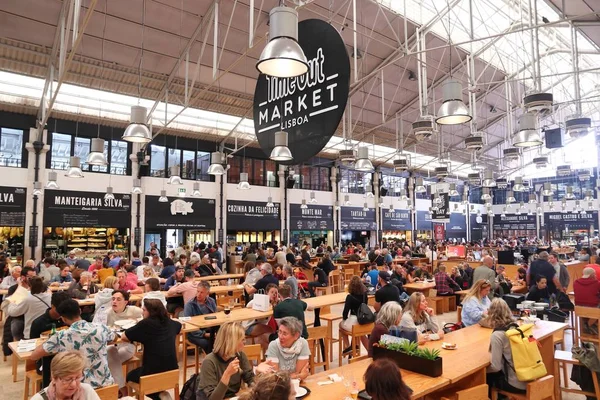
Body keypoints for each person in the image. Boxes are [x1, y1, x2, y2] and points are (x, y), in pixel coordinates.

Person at [31, 299, 115, 388]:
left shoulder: (61, 336)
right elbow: (114, 337)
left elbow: (34, 356)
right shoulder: (100, 328)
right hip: (106, 384)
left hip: (78, 388)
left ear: (63, 318)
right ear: (80, 311)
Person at [121, 299, 182, 400]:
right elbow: (179, 326)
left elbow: (124, 337)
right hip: (173, 370)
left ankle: (157, 395)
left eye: (144, 310)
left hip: (152, 373)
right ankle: (161, 394)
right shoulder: (170, 323)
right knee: (151, 376)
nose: (142, 312)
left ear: (151, 312)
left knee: (130, 376)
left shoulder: (146, 324)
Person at [197, 322, 272, 400]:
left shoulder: (240, 355)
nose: (245, 342)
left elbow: (250, 381)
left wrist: (258, 374)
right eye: (242, 339)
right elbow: (213, 398)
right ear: (232, 342)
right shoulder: (209, 361)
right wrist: (227, 374)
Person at [486, 298, 526, 396]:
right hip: (528, 377)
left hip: (514, 383)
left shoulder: (497, 335)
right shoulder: (515, 327)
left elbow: (496, 367)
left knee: (486, 379)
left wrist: (483, 372)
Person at [106, 289, 143, 394]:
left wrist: (136, 321)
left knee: (109, 360)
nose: (114, 302)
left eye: (118, 299)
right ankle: (120, 389)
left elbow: (147, 318)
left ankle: (119, 389)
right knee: (110, 353)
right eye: (113, 299)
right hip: (113, 345)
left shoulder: (134, 310)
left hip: (128, 346)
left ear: (126, 302)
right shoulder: (108, 312)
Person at [31, 350, 101, 400]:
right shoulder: (39, 398)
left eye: (77, 378)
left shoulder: (87, 391)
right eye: (68, 379)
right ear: (54, 378)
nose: (73, 384)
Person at [244, 283, 279, 352]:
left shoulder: (276, 303)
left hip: (261, 326)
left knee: (266, 336)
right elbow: (248, 305)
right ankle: (273, 353)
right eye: (272, 292)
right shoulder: (261, 300)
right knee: (271, 330)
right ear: (267, 293)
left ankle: (269, 354)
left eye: (276, 293)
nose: (274, 294)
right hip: (249, 327)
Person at [184, 281, 217, 353]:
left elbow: (216, 317)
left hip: (210, 330)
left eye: (202, 292)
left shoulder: (211, 301)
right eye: (198, 291)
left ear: (207, 293)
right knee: (207, 344)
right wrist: (204, 334)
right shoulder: (189, 305)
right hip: (195, 333)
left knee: (225, 340)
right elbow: (188, 324)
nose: (198, 294)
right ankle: (211, 362)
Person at [340, 276, 369, 352]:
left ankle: (348, 346)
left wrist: (344, 319)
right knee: (357, 331)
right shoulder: (364, 295)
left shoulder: (349, 297)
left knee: (340, 325)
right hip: (362, 320)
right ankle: (355, 346)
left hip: (354, 320)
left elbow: (345, 313)